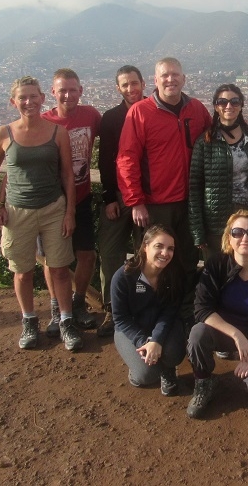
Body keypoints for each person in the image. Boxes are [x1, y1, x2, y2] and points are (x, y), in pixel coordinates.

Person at [0, 76, 82, 352]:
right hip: (16, 211)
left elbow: (67, 175)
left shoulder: (57, 132)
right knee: (22, 272)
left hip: (53, 207)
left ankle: (65, 321)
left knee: (60, 269)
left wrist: (70, 211)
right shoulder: (3, 133)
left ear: (42, 98)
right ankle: (29, 320)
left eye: (33, 96)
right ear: (13, 101)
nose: (28, 102)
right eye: (22, 98)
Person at [117, 57, 211, 278]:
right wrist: (136, 201)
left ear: (183, 79)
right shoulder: (141, 112)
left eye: (175, 75)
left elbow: (214, 136)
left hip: (190, 200)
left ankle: (184, 307)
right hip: (155, 203)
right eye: (165, 76)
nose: (171, 80)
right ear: (155, 80)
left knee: (187, 257)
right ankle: (151, 308)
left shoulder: (196, 108)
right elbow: (126, 158)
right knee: (153, 260)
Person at [186, 210, 248, 419]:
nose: (245, 238)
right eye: (237, 232)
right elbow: (202, 309)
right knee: (197, 334)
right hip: (225, 333)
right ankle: (203, 381)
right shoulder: (216, 265)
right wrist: (236, 335)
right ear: (229, 238)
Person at [40, 68, 102, 333]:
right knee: (54, 261)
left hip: (83, 196)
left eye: (72, 89)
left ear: (81, 91)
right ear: (52, 92)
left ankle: (77, 305)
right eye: (62, 90)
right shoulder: (43, 122)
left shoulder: (91, 116)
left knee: (87, 254)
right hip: (51, 201)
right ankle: (57, 309)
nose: (67, 95)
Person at [96, 64, 146, 337]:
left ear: (143, 83)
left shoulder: (152, 112)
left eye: (134, 83)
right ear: (118, 88)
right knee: (110, 253)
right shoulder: (112, 117)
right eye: (125, 85)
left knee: (145, 254)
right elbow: (106, 161)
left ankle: (141, 304)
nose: (130, 89)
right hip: (117, 195)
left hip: (146, 198)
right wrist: (108, 198)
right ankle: (111, 308)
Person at [188, 84, 248, 254]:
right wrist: (198, 231)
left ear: (241, 105)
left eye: (235, 101)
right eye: (222, 102)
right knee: (218, 272)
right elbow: (194, 188)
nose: (229, 106)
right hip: (216, 222)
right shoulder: (205, 142)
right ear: (216, 106)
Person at [110, 225, 185, 396]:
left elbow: (170, 311)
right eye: (159, 246)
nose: (165, 253)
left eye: (170, 248)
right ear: (145, 247)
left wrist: (156, 340)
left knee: (174, 354)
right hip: (130, 330)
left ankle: (168, 369)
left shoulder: (174, 274)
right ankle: (139, 367)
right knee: (146, 375)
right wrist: (143, 342)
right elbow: (121, 319)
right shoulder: (123, 277)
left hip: (163, 325)